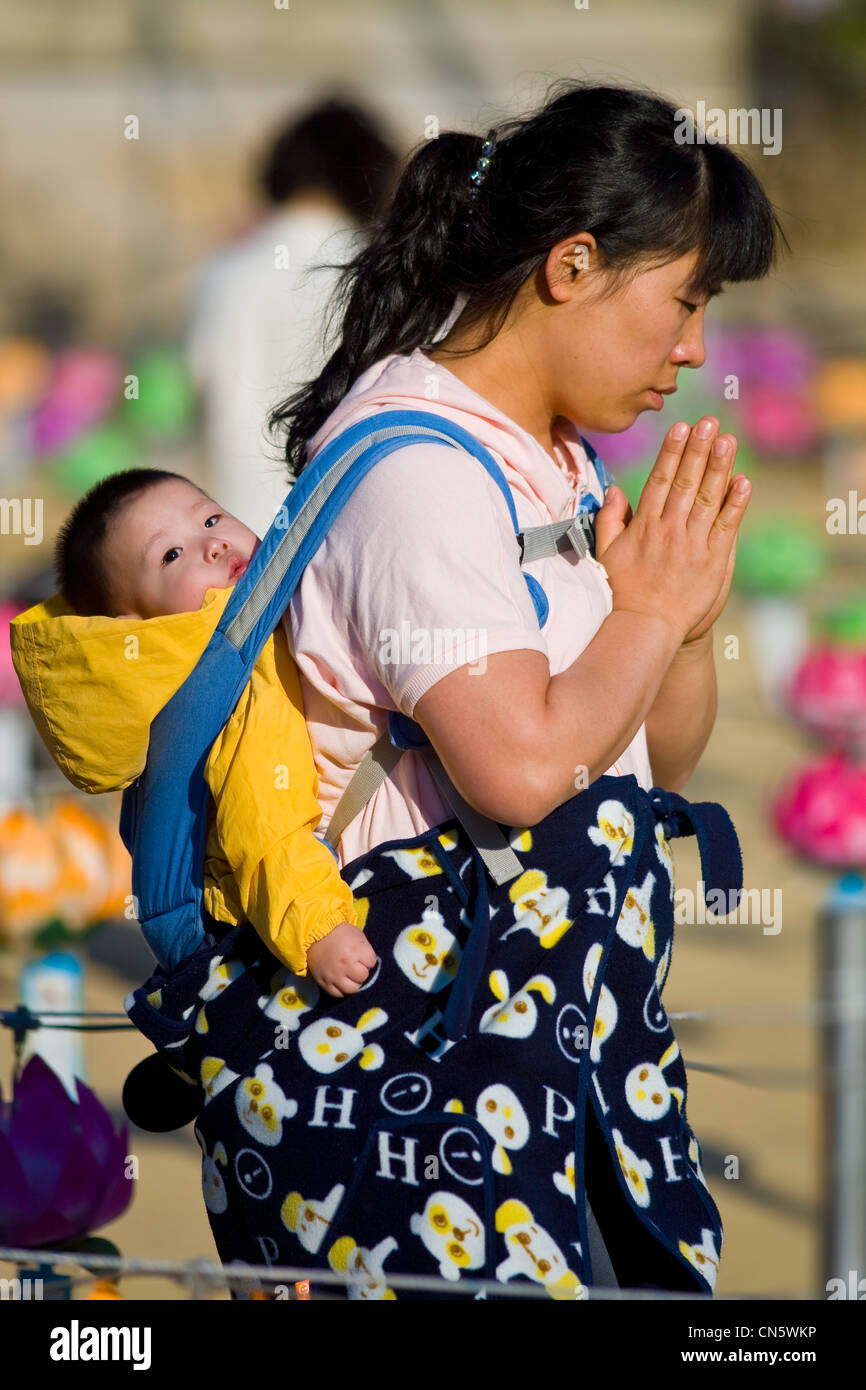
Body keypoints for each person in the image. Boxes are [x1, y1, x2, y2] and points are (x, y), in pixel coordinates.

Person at [116, 79, 784, 1300]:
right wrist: (641, 611)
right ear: (572, 265)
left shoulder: (554, 463)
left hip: (552, 1082)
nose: (693, 348)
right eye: (684, 299)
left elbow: (647, 767)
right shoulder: (421, 471)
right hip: (421, 1100)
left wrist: (677, 625)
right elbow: (524, 773)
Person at [11, 468, 374, 998]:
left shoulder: (228, 647)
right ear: (138, 624)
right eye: (171, 556)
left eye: (209, 517)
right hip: (299, 920)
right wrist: (318, 927)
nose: (211, 544)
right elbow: (263, 818)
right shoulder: (237, 678)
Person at [187, 97, 398, 538]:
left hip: (239, 533)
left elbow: (195, 385)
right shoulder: (379, 274)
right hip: (345, 531)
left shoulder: (224, 273)